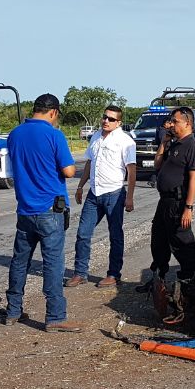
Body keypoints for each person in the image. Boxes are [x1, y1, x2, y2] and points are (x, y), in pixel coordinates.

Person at [4, 94, 82, 332]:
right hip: (50, 210)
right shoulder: (54, 135)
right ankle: (55, 317)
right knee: (53, 264)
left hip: (25, 210)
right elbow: (69, 171)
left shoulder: (14, 134)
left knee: (19, 262)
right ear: (53, 112)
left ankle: (13, 311)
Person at [143, 107, 195, 324]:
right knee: (158, 240)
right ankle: (158, 279)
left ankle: (187, 288)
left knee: (182, 243)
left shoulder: (191, 146)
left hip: (179, 204)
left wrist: (188, 207)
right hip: (164, 201)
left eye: (175, 121)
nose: (171, 124)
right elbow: (158, 165)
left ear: (187, 123)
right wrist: (164, 142)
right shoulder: (174, 143)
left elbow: (194, 179)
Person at [68, 105, 136, 288]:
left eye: (111, 119)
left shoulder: (125, 141)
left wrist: (129, 197)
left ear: (118, 122)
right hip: (94, 193)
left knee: (115, 235)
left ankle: (114, 274)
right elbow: (90, 163)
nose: (106, 121)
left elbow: (131, 170)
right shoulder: (96, 137)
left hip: (114, 194)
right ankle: (80, 273)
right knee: (83, 233)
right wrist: (80, 186)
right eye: (105, 117)